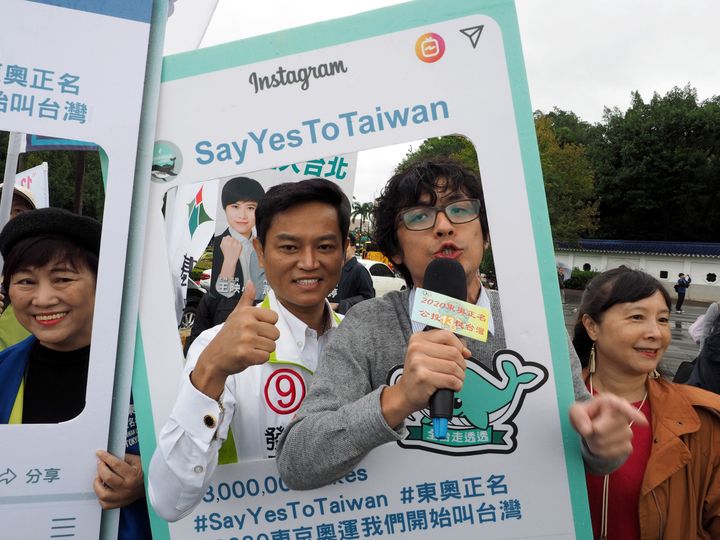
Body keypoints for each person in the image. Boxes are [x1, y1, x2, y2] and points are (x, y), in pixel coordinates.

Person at [276, 160, 643, 490]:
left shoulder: (537, 320)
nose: (444, 225)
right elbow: (297, 462)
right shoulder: (367, 325)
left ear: (485, 235)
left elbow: (592, 452)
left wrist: (602, 443)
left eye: (460, 209)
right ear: (396, 250)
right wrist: (398, 400)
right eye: (419, 216)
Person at [148, 178, 350, 521]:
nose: (309, 262)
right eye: (288, 247)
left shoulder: (360, 339)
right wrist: (211, 371)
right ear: (259, 250)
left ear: (345, 249)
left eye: (325, 246)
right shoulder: (215, 347)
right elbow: (169, 502)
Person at [0, 208, 150, 539]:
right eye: (25, 281)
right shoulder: (3, 373)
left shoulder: (150, 374)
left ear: (103, 283)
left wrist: (149, 480)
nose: (43, 298)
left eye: (63, 279)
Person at [572, 266, 720, 538]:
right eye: (637, 317)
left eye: (662, 320)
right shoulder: (547, 404)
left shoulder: (705, 419)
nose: (656, 333)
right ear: (592, 326)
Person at [183, 177, 266, 352]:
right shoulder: (215, 245)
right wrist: (229, 261)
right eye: (235, 206)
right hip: (220, 339)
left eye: (250, 208)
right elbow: (196, 346)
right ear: (225, 208)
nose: (242, 215)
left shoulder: (267, 251)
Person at [327, 232, 374, 314]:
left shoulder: (359, 270)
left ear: (354, 248)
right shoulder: (331, 269)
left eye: (346, 245)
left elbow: (368, 298)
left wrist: (340, 305)